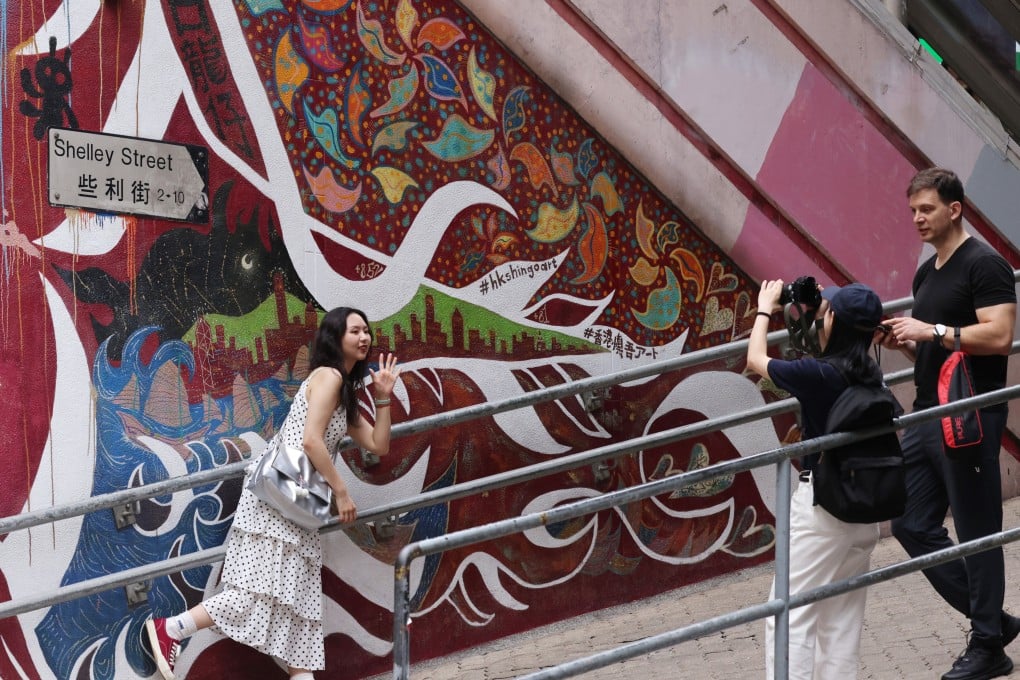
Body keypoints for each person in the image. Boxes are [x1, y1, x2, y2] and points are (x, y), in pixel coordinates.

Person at [143, 307, 402, 680]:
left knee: (300, 615)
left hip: (298, 506)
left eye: (367, 332)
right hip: (279, 500)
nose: (364, 338)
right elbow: (312, 442)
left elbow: (378, 444)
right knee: (253, 594)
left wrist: (383, 397)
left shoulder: (343, 391)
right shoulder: (328, 377)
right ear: (335, 337)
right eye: (355, 331)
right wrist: (342, 493)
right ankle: (172, 629)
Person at [884, 167, 1018, 680]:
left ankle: (987, 647)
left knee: (977, 530)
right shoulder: (928, 271)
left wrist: (934, 329)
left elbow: (1000, 335)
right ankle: (995, 623)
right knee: (910, 523)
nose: (917, 218)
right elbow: (936, 341)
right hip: (926, 414)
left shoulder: (984, 265)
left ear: (954, 209)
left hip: (970, 415)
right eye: (914, 210)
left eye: (927, 209)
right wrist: (908, 340)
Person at [748, 279, 887, 679]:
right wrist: (817, 315)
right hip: (864, 510)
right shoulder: (871, 372)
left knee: (787, 613)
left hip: (824, 510)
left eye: (826, 311)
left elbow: (756, 358)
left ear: (834, 322)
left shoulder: (819, 375)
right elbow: (830, 350)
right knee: (840, 622)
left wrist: (764, 308)